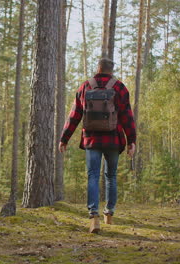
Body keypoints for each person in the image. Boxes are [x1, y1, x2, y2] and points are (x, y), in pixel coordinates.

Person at [58, 58, 136, 233]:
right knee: (111, 176)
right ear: (111, 70)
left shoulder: (85, 86)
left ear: (98, 68)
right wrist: (132, 140)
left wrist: (64, 138)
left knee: (93, 175)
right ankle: (109, 214)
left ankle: (94, 216)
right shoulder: (120, 88)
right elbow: (127, 117)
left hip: (91, 139)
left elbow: (74, 115)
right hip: (113, 139)